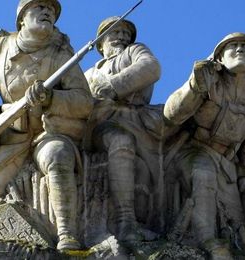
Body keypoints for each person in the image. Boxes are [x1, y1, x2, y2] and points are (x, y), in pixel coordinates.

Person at [0, 0, 93, 254]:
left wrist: (51, 98)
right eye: (39, 7)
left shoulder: (62, 52)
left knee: (57, 157)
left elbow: (84, 102)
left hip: (47, 130)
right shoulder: (0, 45)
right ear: (22, 18)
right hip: (8, 135)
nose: (47, 12)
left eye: (51, 10)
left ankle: (67, 235)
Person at [164, 33, 245, 258]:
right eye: (234, 46)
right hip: (192, 151)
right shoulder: (207, 76)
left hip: (227, 163)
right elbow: (172, 114)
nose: (240, 49)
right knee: (203, 173)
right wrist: (195, 85)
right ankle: (208, 242)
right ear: (219, 57)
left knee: (237, 226)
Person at [84, 17, 161, 243]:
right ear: (100, 43)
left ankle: (130, 220)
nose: (122, 37)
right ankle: (124, 220)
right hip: (99, 125)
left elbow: (151, 68)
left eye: (126, 33)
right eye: (114, 32)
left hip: (136, 120)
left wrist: (112, 87)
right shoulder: (88, 74)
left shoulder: (135, 52)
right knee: (120, 141)